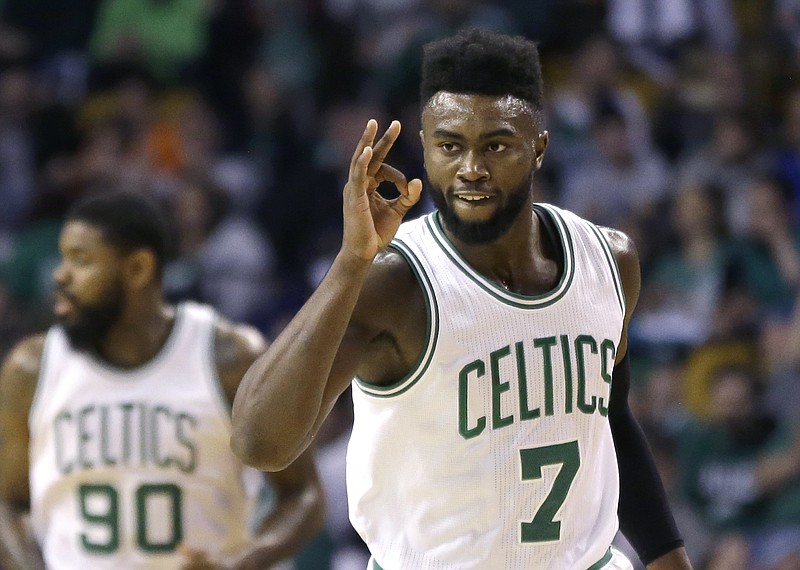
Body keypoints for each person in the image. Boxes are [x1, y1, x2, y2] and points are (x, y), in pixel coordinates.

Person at [231, 28, 692, 570]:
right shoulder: (395, 283)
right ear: (425, 149)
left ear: (538, 147)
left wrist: (670, 561)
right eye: (450, 146)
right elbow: (259, 442)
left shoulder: (611, 263)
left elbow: (610, 421)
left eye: (496, 144)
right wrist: (349, 264)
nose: (471, 168)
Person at [0, 190, 325, 569]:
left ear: (138, 268)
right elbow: (9, 503)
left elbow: (303, 496)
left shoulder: (229, 359)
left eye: (81, 260)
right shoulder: (31, 370)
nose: (60, 274)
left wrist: (240, 563)